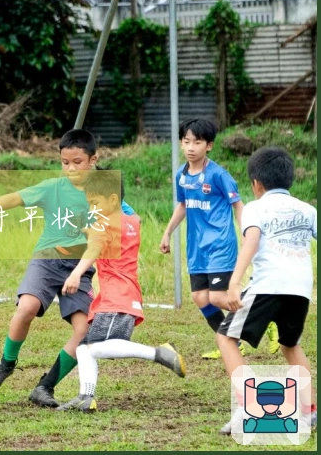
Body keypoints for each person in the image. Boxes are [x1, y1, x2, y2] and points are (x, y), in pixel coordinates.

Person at [0, 129, 136, 408]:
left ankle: (45, 386)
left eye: (77, 162)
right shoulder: (52, 188)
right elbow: (14, 199)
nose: (70, 168)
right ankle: (5, 365)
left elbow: (126, 216)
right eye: (65, 162)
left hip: (80, 267)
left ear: (94, 160)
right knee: (26, 307)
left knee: (83, 331)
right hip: (47, 260)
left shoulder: (103, 191)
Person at [52, 171, 186, 413]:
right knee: (83, 346)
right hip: (118, 295)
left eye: (95, 203)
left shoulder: (103, 224)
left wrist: (76, 273)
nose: (92, 208)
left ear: (113, 200)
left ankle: (159, 353)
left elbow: (93, 248)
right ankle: (86, 396)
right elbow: (122, 226)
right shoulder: (130, 220)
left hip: (118, 296)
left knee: (97, 347)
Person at [216, 147, 317, 434]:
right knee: (290, 345)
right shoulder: (308, 209)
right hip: (300, 289)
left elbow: (251, 241)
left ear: (256, 184)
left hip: (268, 285)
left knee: (225, 338)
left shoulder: (255, 208)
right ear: (290, 180)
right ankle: (310, 411)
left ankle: (251, 408)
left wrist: (234, 282)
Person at [159, 118, 278, 359]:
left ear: (209, 146)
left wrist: (247, 232)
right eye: (186, 141)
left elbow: (238, 204)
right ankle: (233, 342)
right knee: (200, 297)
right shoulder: (181, 175)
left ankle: (269, 318)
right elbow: (182, 204)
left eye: (197, 142)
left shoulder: (218, 175)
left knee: (216, 296)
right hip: (196, 248)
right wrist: (167, 232)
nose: (191, 147)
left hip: (220, 245)